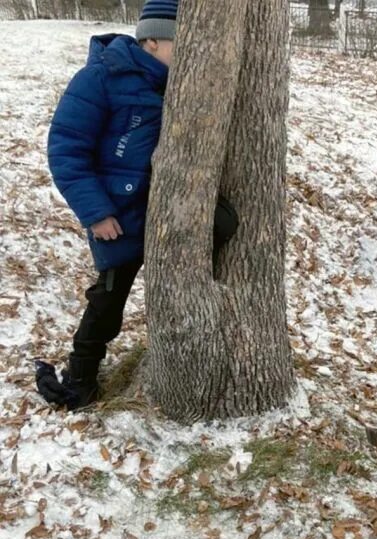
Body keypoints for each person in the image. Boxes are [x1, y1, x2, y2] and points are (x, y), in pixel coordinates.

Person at [35, 0, 237, 410]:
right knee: (108, 300)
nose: (188, 52)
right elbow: (66, 150)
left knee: (224, 224)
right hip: (120, 216)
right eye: (179, 43)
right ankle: (81, 375)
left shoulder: (182, 83)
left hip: (169, 206)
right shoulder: (101, 78)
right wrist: (97, 213)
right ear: (150, 41)